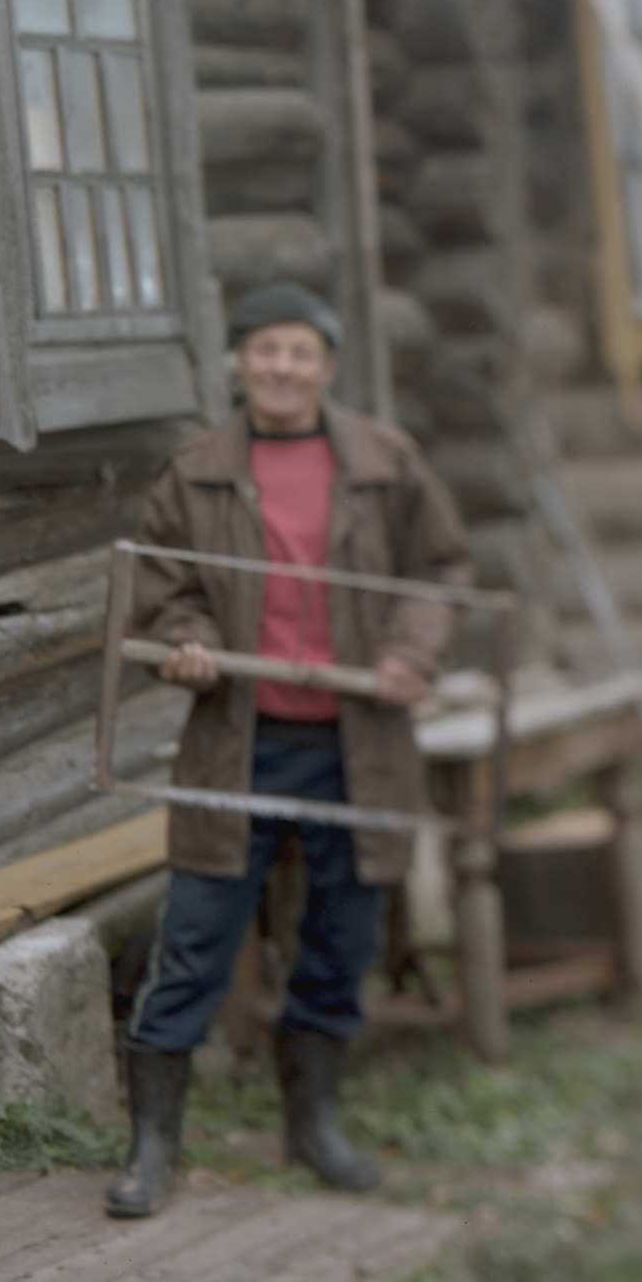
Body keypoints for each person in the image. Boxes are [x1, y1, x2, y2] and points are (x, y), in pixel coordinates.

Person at [106, 282, 471, 1218]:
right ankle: (153, 1148)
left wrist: (409, 651)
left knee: (341, 937)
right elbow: (166, 585)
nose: (280, 367)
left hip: (360, 743)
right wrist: (187, 638)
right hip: (241, 740)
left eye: (300, 351)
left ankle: (314, 1129)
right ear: (238, 360)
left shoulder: (386, 461)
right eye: (264, 349)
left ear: (329, 366)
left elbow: (440, 568)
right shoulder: (195, 470)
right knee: (196, 936)